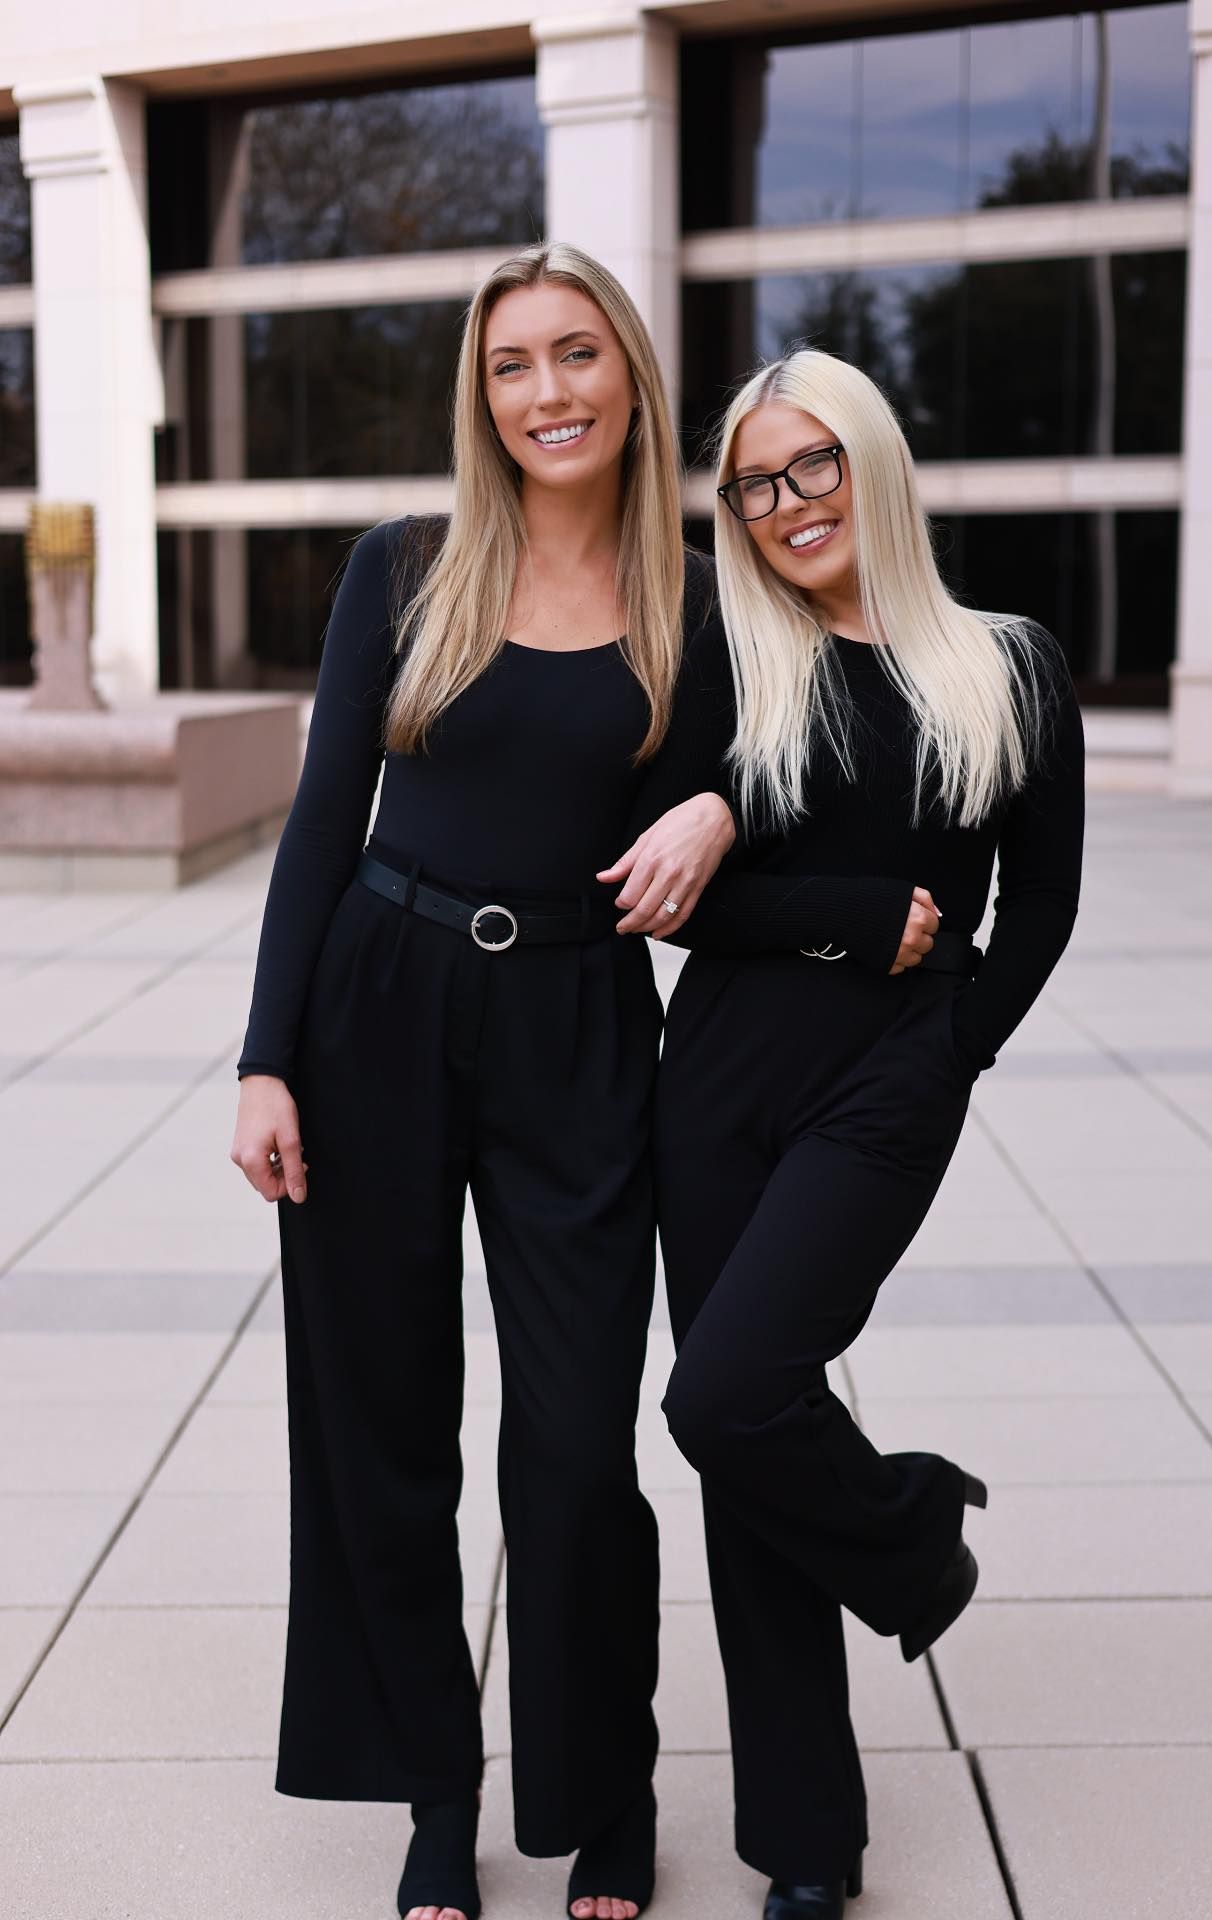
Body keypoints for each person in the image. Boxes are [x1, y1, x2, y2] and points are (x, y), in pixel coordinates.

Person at [229, 242, 734, 1920]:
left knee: (580, 1442)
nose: (548, 394)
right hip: (380, 996)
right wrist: (265, 1061)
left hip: (584, 1029)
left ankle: (603, 1788)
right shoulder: (406, 565)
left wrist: (718, 810)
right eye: (513, 365)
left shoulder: (693, 594)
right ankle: (436, 1794)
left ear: (631, 379)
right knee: (379, 1427)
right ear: (482, 395)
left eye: (577, 356)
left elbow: (763, 783)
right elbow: (320, 827)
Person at [649, 349, 1085, 1920]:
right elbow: (655, 896)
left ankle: (912, 1539)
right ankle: (809, 1848)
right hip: (711, 1088)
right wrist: (842, 909)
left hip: (883, 1096)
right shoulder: (728, 660)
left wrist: (950, 1052)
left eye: (812, 466)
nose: (786, 507)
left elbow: (1040, 903)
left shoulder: (1008, 663)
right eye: (757, 484)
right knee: (744, 1447)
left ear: (873, 462)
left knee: (728, 1395)